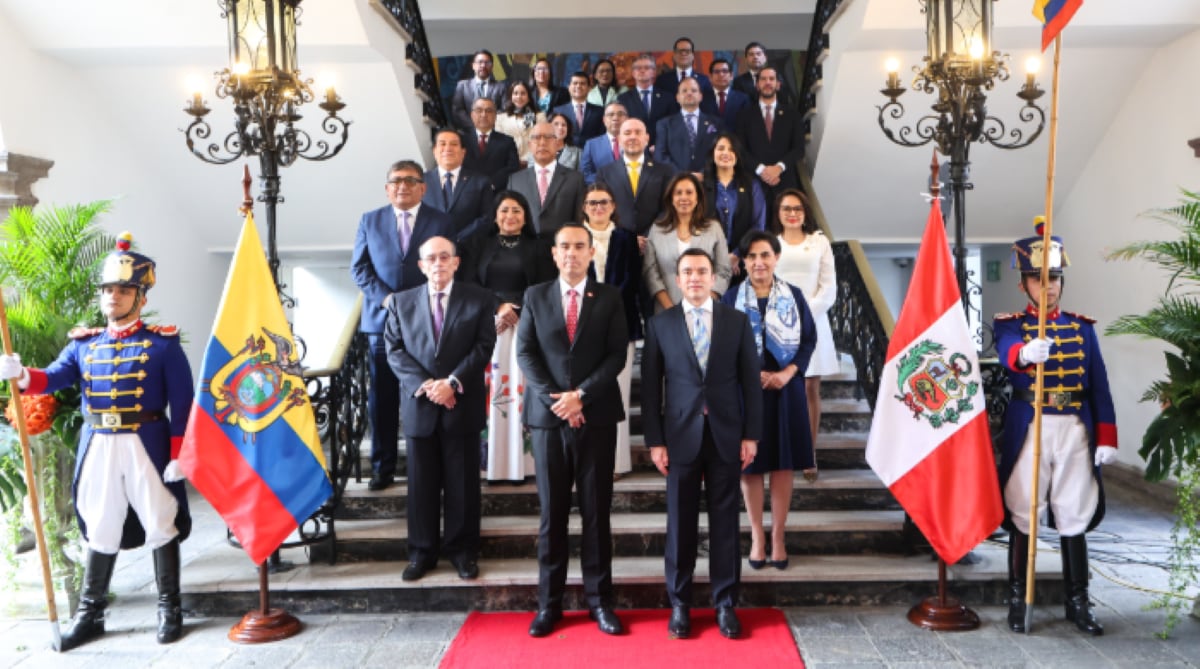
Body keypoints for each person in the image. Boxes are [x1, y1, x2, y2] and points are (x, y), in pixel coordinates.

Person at [0, 234, 193, 650]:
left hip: (147, 441)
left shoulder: (163, 344)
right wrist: (19, 373)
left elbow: (184, 403)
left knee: (161, 519)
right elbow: (52, 378)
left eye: (123, 290)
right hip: (99, 442)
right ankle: (91, 615)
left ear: (140, 297)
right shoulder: (84, 345)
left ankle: (169, 608)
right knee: (100, 523)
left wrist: (180, 455)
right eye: (108, 289)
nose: (113, 297)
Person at [994, 220, 1117, 636]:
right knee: (1023, 510)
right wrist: (1026, 353)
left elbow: (1099, 383)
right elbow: (1008, 350)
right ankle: (1018, 597)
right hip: (1032, 425)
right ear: (1024, 284)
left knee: (1073, 513)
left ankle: (1078, 602)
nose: (1048, 288)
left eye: (1054, 280)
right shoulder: (1011, 323)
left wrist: (1107, 436)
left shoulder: (1082, 327)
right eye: (1039, 279)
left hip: (1074, 429)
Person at [641, 248, 762, 640]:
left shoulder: (737, 322)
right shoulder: (660, 325)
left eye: (702, 271)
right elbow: (650, 388)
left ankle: (725, 602)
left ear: (714, 278)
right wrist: (655, 440)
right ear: (678, 280)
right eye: (687, 272)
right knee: (680, 522)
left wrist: (751, 434)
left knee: (726, 523)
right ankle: (680, 603)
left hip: (727, 435)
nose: (695, 277)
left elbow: (750, 385)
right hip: (679, 438)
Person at [517, 223, 630, 638]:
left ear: (591, 251)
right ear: (554, 253)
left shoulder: (610, 297)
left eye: (579, 246)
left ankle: (601, 603)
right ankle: (550, 604)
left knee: (597, 514)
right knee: (553, 517)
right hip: (549, 421)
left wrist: (581, 395)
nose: (572, 253)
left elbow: (617, 353)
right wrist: (559, 400)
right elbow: (526, 353)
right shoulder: (535, 296)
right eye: (564, 246)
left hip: (596, 416)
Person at [384, 236, 497, 582]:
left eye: (444, 257)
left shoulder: (479, 299)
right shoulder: (401, 303)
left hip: (461, 403)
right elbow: (395, 350)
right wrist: (429, 386)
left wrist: (452, 383)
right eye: (430, 258)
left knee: (463, 485)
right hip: (421, 406)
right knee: (421, 486)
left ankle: (463, 553)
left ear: (456, 262)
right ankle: (422, 553)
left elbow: (484, 346)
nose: (438, 263)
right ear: (420, 265)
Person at [353, 161, 455, 492]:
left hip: (426, 322)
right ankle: (381, 467)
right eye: (396, 181)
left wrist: (413, 304)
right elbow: (360, 269)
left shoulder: (440, 221)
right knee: (381, 398)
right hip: (381, 321)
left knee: (423, 394)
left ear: (423, 188)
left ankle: (424, 468)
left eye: (411, 181)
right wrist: (387, 300)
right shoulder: (370, 220)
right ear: (387, 188)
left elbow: (445, 269)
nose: (402, 186)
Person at [723, 231, 816, 571]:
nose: (758, 262)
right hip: (745, 392)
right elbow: (721, 348)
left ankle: (778, 536)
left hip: (786, 390)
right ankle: (756, 537)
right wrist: (750, 376)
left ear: (776, 258)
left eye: (765, 255)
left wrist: (788, 373)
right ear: (743, 262)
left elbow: (808, 341)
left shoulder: (794, 295)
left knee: (782, 464)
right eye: (751, 256)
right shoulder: (730, 298)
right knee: (750, 465)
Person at [458, 191, 557, 483]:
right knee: (492, 395)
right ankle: (492, 463)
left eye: (516, 210)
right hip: (488, 329)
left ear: (526, 215)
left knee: (522, 393)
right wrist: (498, 307)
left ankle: (523, 464)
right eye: (504, 210)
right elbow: (469, 284)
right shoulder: (478, 244)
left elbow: (546, 286)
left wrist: (519, 310)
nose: (510, 216)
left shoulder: (539, 247)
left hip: (528, 329)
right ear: (495, 215)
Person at [580, 183, 642, 479]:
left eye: (603, 202)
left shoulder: (626, 239)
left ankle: (617, 463)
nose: (598, 208)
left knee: (619, 392)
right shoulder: (575, 238)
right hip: (580, 328)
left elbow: (633, 282)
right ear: (584, 207)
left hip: (621, 325)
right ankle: (588, 460)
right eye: (592, 203)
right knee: (587, 393)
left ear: (614, 205)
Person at [772, 189, 838, 460]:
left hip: (814, 321)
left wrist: (803, 313)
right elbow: (765, 283)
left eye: (797, 208)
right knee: (782, 388)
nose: (792, 213)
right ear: (778, 213)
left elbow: (829, 286)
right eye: (787, 208)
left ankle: (808, 453)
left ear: (805, 212)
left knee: (811, 388)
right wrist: (784, 315)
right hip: (778, 325)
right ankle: (783, 450)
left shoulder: (819, 242)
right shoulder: (771, 243)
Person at [643, 173, 732, 312]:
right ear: (671, 198)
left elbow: (724, 270)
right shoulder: (657, 229)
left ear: (697, 198)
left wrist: (702, 304)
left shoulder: (713, 228)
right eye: (678, 193)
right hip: (666, 311)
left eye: (689, 192)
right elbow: (650, 272)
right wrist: (671, 309)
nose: (684, 197)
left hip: (706, 310)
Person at [702, 131, 767, 285]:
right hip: (707, 262)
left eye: (731, 149)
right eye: (721, 148)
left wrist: (736, 255)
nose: (726, 153)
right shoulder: (701, 185)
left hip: (744, 262)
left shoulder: (752, 185)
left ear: (737, 155)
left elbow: (759, 225)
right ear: (713, 153)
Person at [597, 118, 676, 240]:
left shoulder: (664, 171)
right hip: (617, 242)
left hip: (654, 241)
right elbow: (602, 208)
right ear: (619, 139)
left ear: (647, 138)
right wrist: (627, 239)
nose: (633, 137)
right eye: (627, 133)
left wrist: (649, 236)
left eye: (638, 132)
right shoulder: (605, 173)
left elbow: (667, 208)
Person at [506, 121, 586, 237]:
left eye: (548, 137)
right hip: (525, 247)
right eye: (537, 138)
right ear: (529, 145)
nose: (542, 142)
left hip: (561, 248)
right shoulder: (515, 180)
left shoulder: (575, 179)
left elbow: (578, 219)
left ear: (558, 144)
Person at [736, 66, 802, 204]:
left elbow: (799, 149)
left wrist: (778, 168)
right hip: (755, 181)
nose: (767, 82)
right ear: (757, 85)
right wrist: (762, 170)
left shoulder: (792, 114)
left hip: (785, 181)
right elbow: (740, 149)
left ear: (778, 85)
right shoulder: (744, 115)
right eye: (763, 79)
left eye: (771, 79)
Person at [422, 128, 493, 241]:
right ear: (434, 151)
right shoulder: (420, 181)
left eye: (454, 144)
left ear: (463, 152)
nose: (448, 148)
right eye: (442, 144)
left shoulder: (480, 182)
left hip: (469, 251)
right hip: (430, 251)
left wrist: (457, 239)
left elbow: (486, 218)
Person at [654, 76, 723, 175]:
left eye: (694, 90)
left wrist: (704, 174)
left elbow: (720, 151)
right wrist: (682, 176)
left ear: (700, 96)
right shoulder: (664, 124)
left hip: (707, 180)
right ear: (677, 97)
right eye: (684, 91)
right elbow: (660, 156)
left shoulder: (716, 123)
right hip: (676, 182)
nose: (689, 93)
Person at [617, 53, 677, 147]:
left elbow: (673, 126)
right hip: (634, 149)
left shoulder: (667, 98)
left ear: (653, 72)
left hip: (662, 150)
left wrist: (660, 146)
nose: (642, 70)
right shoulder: (623, 99)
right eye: (638, 68)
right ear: (633, 73)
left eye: (646, 67)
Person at [462, 98, 521, 191]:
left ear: (495, 116)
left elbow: (513, 167)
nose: (484, 115)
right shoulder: (461, 141)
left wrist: (492, 183)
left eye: (489, 111)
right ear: (472, 115)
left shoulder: (507, 141)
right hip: (467, 191)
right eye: (479, 110)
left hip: (497, 193)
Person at [451, 49, 508, 131]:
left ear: (492, 66)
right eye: (480, 62)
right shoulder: (462, 86)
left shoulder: (501, 87)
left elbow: (504, 110)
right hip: (469, 133)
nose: (483, 65)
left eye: (487, 62)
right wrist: (475, 126)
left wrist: (489, 124)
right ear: (473, 65)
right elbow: (457, 110)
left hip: (494, 132)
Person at [494, 80, 546, 169]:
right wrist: (514, 161)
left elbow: (541, 142)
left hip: (532, 164)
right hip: (508, 164)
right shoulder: (500, 118)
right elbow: (500, 145)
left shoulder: (539, 117)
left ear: (529, 97)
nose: (519, 97)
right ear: (510, 96)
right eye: (515, 93)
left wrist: (528, 160)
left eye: (523, 93)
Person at [733, 42, 797, 110]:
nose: (755, 57)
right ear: (746, 59)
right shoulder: (739, 81)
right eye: (751, 54)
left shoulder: (777, 77)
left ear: (765, 58)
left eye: (758, 54)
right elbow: (738, 106)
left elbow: (784, 101)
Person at [654, 36, 715, 106]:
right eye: (680, 51)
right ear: (674, 55)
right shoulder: (662, 80)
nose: (683, 54)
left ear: (693, 56)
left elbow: (708, 105)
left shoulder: (704, 80)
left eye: (687, 51)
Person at [552, 71, 605, 148]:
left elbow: (601, 137)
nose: (578, 86)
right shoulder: (558, 111)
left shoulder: (599, 111)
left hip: (592, 153)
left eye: (582, 84)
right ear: (569, 87)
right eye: (575, 83)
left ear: (589, 88)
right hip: (566, 155)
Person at [580, 102, 628, 185]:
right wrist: (607, 182)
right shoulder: (591, 145)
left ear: (627, 119)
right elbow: (585, 174)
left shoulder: (636, 142)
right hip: (602, 192)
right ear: (604, 120)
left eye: (620, 114)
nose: (615, 118)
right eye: (611, 114)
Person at [706, 58, 752, 130]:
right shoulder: (702, 98)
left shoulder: (743, 99)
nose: (721, 75)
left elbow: (746, 125)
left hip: (735, 139)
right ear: (710, 77)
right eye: (717, 72)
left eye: (725, 71)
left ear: (731, 76)